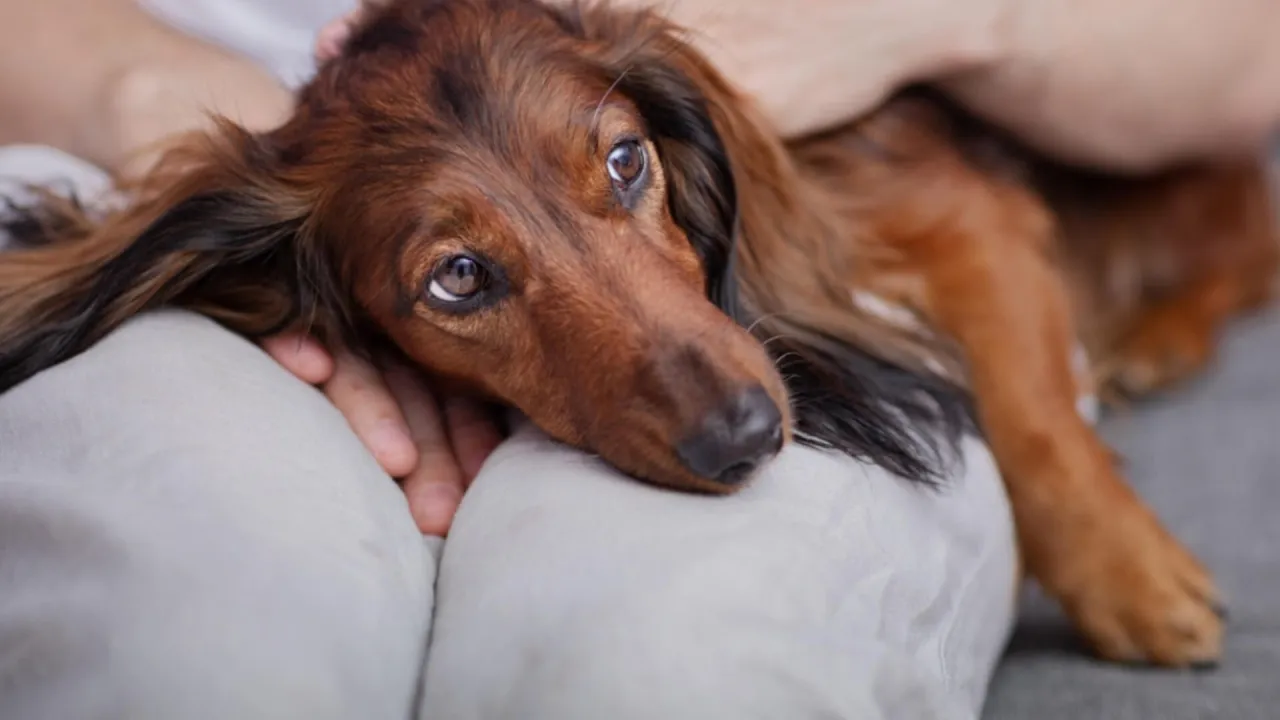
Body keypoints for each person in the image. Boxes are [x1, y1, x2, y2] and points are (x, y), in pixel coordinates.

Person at [0, 1, 1275, 719]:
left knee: (670, 665)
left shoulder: (692, 126)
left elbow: (1247, 57)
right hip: (182, 180)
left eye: (622, 171)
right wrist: (138, 94)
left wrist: (923, 18)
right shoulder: (239, 222)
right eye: (467, 280)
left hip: (788, 239)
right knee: (178, 632)